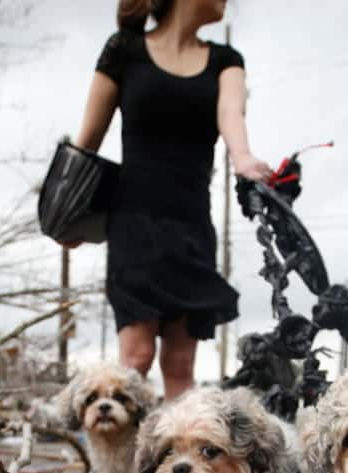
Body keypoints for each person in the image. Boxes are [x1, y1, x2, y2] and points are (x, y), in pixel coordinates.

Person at [72, 0, 272, 401]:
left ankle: (179, 462)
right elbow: (86, 142)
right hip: (133, 224)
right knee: (137, 357)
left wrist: (244, 157)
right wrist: (67, 210)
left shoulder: (225, 61)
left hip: (192, 228)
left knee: (180, 365)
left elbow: (231, 115)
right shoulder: (124, 50)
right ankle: (120, 465)